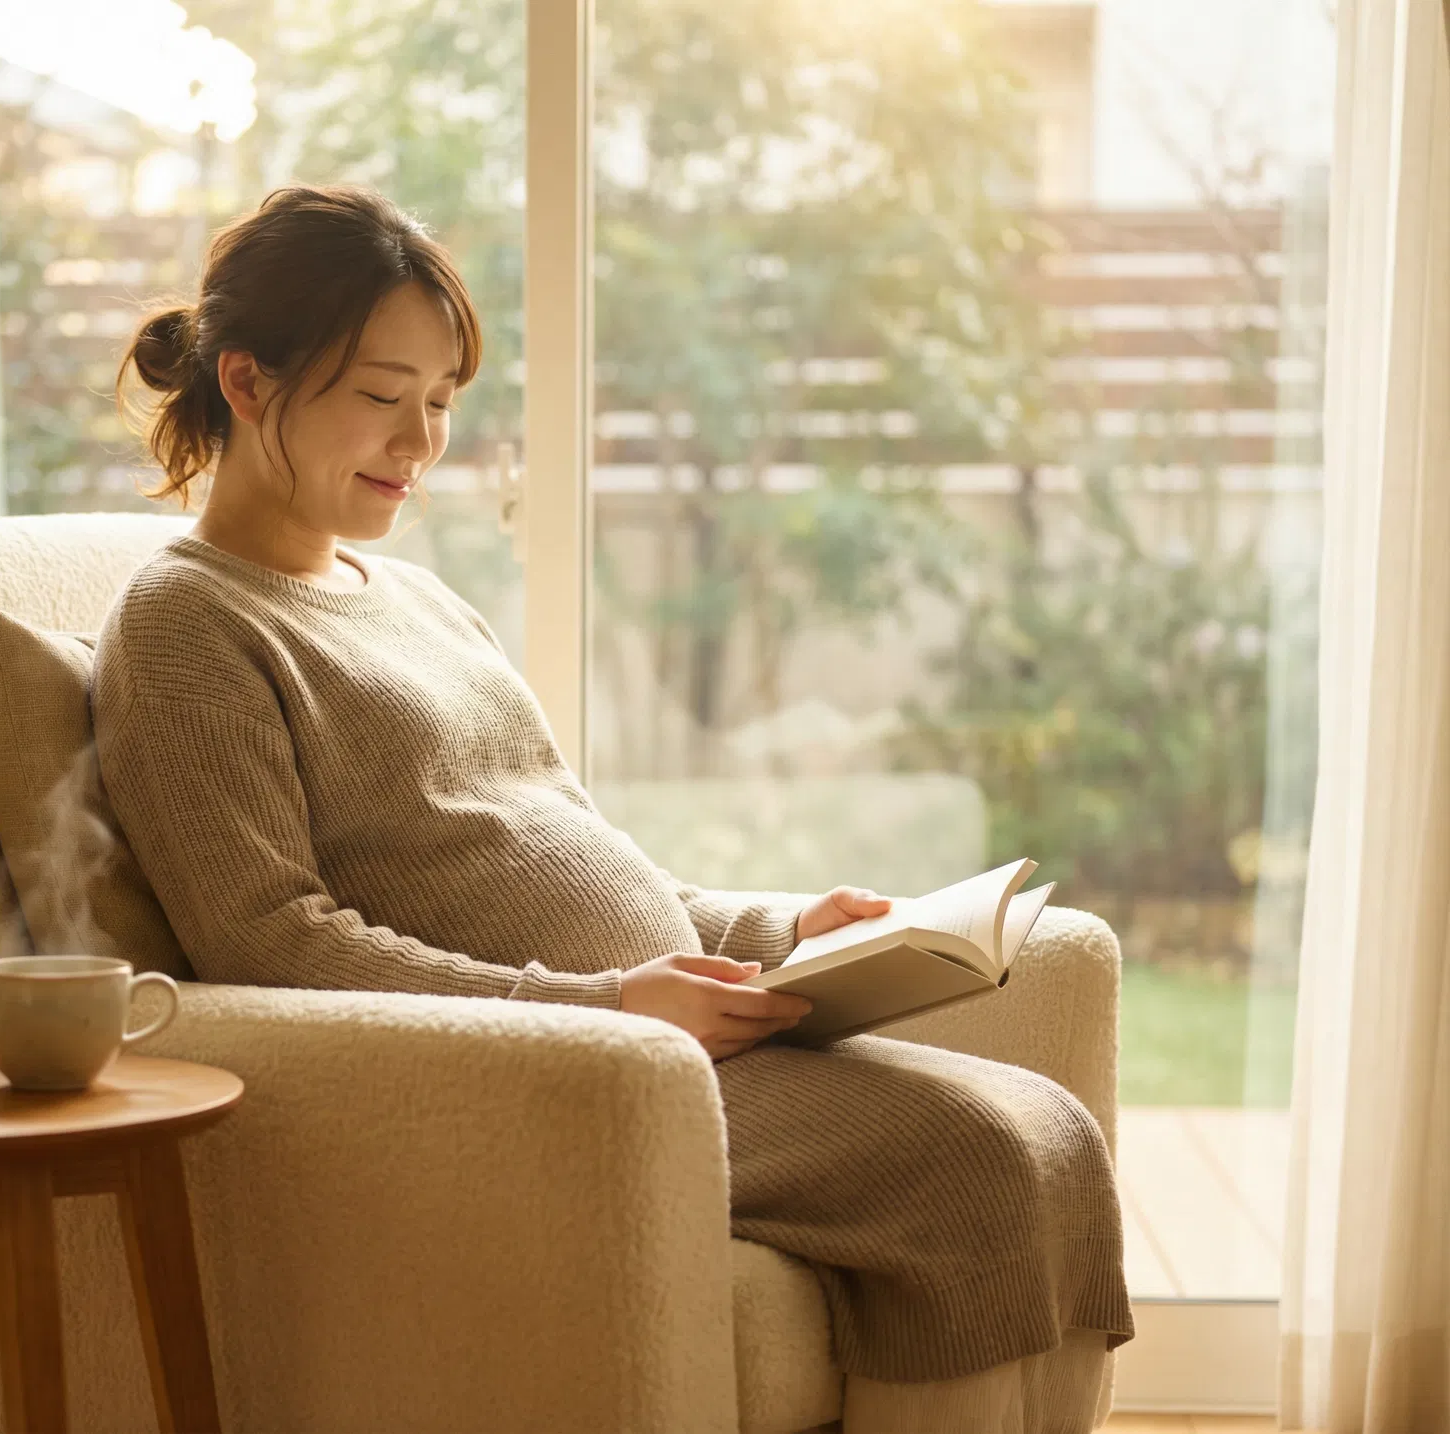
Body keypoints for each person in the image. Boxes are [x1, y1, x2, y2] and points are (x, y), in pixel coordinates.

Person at [92, 183, 1133, 1432]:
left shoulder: (418, 599)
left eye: (438, 404)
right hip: (559, 1070)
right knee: (970, 1163)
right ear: (249, 383)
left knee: (1050, 1135)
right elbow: (270, 941)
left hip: (653, 1033)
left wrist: (785, 933)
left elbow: (585, 857)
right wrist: (604, 1009)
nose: (419, 446)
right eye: (380, 397)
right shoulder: (188, 625)